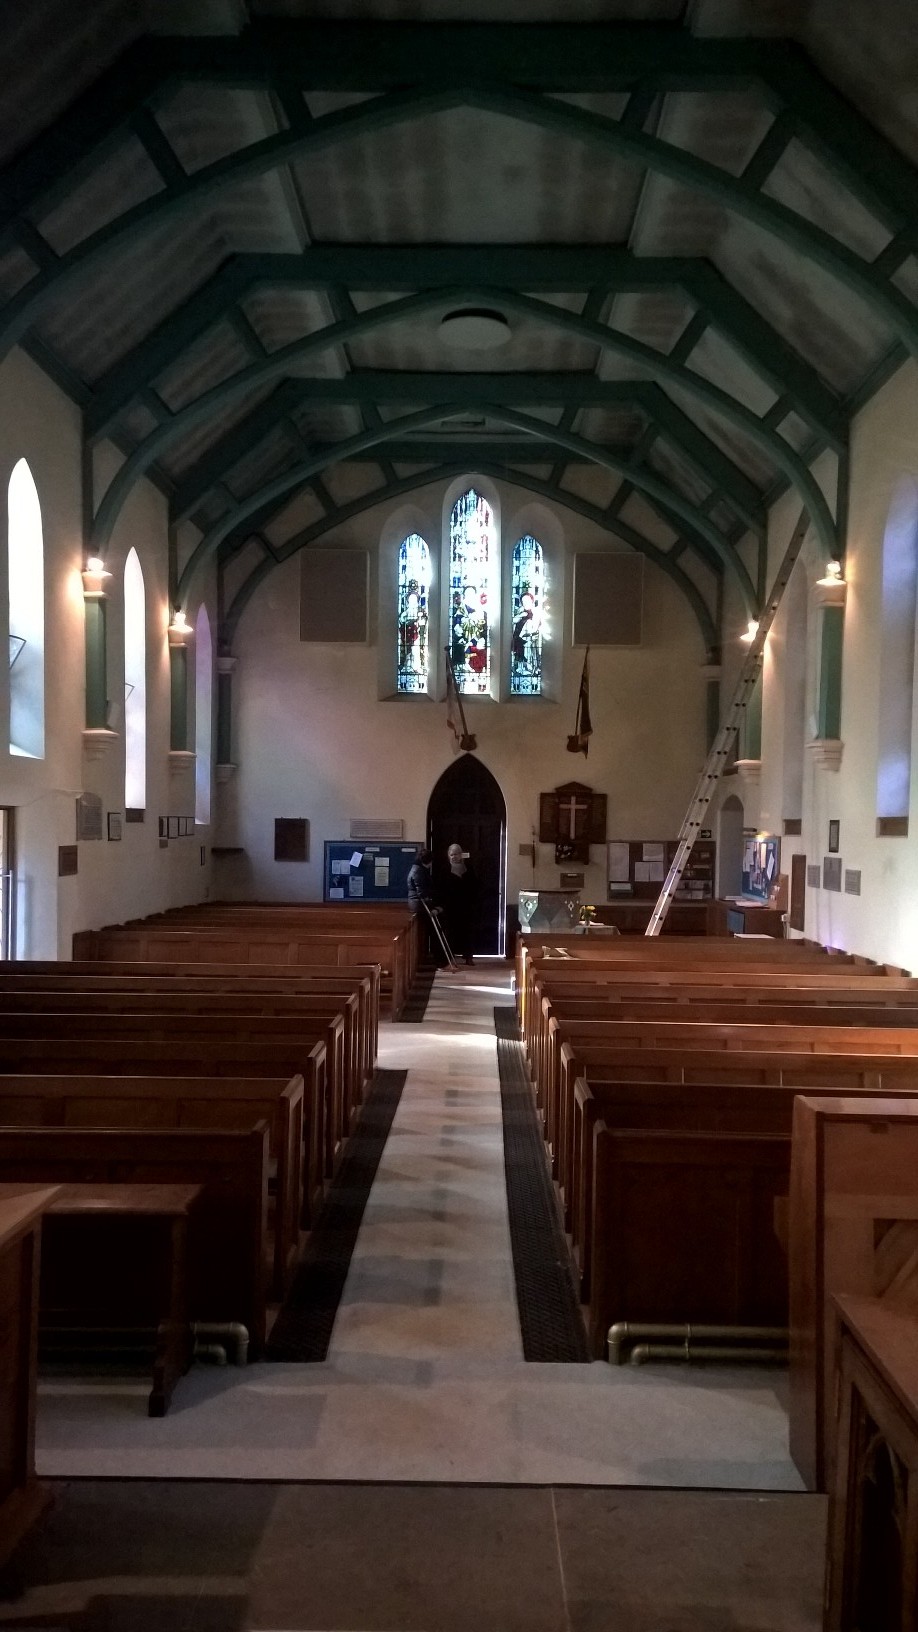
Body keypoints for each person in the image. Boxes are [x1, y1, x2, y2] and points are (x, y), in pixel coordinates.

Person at [407, 847, 457, 970]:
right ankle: (442, 963)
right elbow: (422, 893)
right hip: (421, 907)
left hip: (420, 905)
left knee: (439, 931)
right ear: (428, 861)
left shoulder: (417, 869)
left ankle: (443, 961)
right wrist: (434, 908)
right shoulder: (419, 871)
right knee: (437, 933)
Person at [441, 841, 478, 965]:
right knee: (450, 933)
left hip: (467, 907)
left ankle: (468, 957)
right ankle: (449, 958)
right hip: (451, 907)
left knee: (468, 932)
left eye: (456, 854)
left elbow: (475, 886)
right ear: (448, 856)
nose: (454, 857)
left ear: (461, 855)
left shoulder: (469, 868)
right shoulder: (445, 870)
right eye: (452, 855)